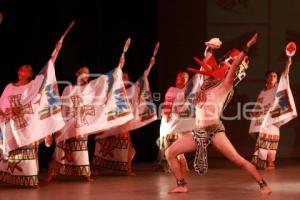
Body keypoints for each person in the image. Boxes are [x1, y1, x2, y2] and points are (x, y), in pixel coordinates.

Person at [165, 33, 271, 194]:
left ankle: (263, 184)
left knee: (237, 160)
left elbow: (234, 65)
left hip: (214, 131)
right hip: (199, 131)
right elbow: (207, 59)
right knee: (169, 152)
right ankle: (182, 184)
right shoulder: (205, 83)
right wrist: (210, 48)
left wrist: (247, 46)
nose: (225, 66)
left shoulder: (225, 85)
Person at [0, 41, 63, 187]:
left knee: (29, 149)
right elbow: (1, 104)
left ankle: (30, 179)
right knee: (11, 149)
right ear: (19, 72)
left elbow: (47, 71)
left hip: (26, 124)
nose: (28, 70)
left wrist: (56, 52)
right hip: (10, 124)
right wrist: (4, 112)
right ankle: (7, 176)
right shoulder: (9, 87)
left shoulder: (33, 86)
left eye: (30, 69)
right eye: (25, 68)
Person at [45, 66, 93, 182]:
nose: (86, 75)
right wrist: (59, 125)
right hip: (68, 123)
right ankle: (52, 173)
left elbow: (92, 108)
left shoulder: (89, 89)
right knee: (61, 148)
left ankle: (86, 174)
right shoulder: (68, 89)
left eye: (88, 73)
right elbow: (63, 108)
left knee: (81, 149)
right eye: (84, 72)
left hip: (82, 124)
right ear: (77, 73)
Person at [250, 55, 293, 170]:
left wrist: (287, 64)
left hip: (273, 119)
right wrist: (254, 113)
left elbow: (285, 76)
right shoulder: (262, 92)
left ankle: (270, 163)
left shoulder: (278, 88)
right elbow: (258, 106)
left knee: (272, 143)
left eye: (275, 76)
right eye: (270, 75)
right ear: (266, 78)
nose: (273, 77)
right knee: (263, 140)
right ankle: (263, 163)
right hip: (262, 120)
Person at [92, 72, 136, 176]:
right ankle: (96, 169)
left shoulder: (130, 93)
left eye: (125, 77)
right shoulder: (112, 90)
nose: (123, 79)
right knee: (100, 141)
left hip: (122, 124)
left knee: (128, 145)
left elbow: (132, 109)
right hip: (109, 122)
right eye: (122, 77)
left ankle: (128, 169)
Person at [157, 72, 190, 174]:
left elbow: (186, 107)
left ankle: (182, 165)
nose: (183, 79)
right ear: (177, 78)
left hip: (179, 120)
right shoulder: (172, 90)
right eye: (182, 77)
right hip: (169, 119)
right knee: (167, 142)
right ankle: (166, 165)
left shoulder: (187, 91)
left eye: (186, 77)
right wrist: (167, 116)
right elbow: (168, 104)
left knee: (178, 143)